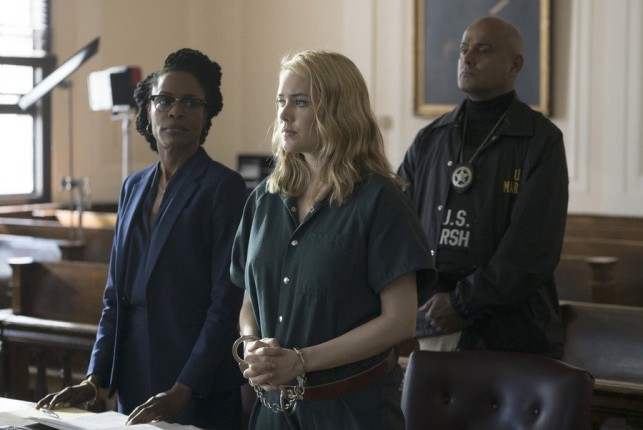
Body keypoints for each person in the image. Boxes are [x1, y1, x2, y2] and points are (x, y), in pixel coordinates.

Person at [36, 48, 247, 428]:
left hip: (197, 383)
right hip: (134, 378)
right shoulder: (133, 187)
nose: (175, 111)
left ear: (206, 114)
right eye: (164, 100)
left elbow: (225, 304)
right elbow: (114, 297)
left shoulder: (223, 187)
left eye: (189, 102)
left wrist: (184, 387)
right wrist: (94, 379)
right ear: (148, 110)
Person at [229, 50, 435, 429]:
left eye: (300, 102)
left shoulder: (380, 200)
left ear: (338, 111)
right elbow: (249, 297)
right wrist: (254, 342)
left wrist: (301, 361)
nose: (284, 115)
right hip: (273, 412)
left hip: (351, 413)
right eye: (281, 101)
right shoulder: (263, 199)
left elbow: (399, 322)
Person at [398, 16, 569, 357]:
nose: (467, 58)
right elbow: (397, 224)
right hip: (432, 322)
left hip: (511, 332)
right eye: (464, 49)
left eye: (483, 50)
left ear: (515, 64)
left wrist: (463, 303)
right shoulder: (430, 139)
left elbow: (533, 246)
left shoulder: (541, 140)